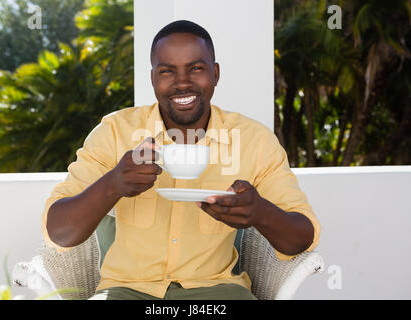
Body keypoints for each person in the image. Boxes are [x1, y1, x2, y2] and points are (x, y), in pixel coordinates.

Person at [42, 20, 320, 300]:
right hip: (125, 292)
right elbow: (60, 232)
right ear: (153, 78)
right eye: (167, 71)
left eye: (196, 68)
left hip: (218, 293)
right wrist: (113, 183)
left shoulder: (253, 140)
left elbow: (302, 237)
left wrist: (261, 212)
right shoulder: (115, 132)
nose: (182, 82)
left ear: (215, 73)